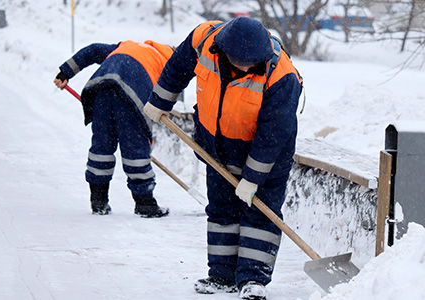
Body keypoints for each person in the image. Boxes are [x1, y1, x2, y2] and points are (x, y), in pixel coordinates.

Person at [144, 17, 302, 299]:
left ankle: (253, 280)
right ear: (223, 49)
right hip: (216, 146)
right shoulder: (205, 38)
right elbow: (178, 67)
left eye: (250, 63)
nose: (244, 67)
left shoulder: (282, 76)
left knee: (259, 213)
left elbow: (273, 135)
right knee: (221, 210)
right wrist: (159, 101)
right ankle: (221, 276)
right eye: (239, 61)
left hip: (266, 156)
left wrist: (252, 179)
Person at [54, 40, 174, 218]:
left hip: (101, 86)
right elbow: (166, 96)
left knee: (102, 146)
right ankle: (145, 204)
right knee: (135, 148)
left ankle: (98, 201)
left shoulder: (128, 45)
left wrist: (65, 72)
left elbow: (93, 50)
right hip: (131, 93)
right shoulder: (168, 61)